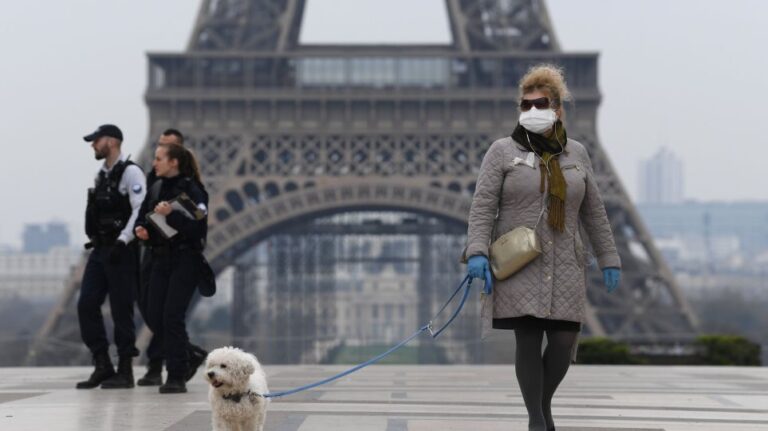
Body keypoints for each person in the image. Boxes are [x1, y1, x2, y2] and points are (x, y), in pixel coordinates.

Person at [464, 65, 621, 431]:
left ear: (558, 107)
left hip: (566, 260)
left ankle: (542, 407)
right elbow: (483, 204)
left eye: (541, 104)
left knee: (564, 340)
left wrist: (609, 256)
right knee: (529, 339)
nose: (533, 111)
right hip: (521, 262)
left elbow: (594, 211)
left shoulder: (577, 153)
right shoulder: (502, 151)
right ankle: (537, 420)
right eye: (526, 104)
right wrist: (477, 252)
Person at [134, 129, 208, 387]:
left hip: (184, 260)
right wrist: (143, 232)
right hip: (159, 258)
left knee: (172, 316)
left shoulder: (194, 190)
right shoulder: (154, 188)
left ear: (173, 162)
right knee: (154, 315)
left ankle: (176, 375)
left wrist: (171, 215)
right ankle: (189, 353)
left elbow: (199, 229)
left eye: (159, 159)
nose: (153, 163)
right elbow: (146, 218)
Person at [76, 124, 145, 389]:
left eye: (97, 140)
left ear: (113, 141)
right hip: (100, 248)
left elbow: (140, 210)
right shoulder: (101, 175)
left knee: (121, 310)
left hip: (121, 250)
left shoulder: (131, 173)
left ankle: (125, 370)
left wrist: (123, 240)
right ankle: (102, 363)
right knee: (86, 304)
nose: (93, 144)